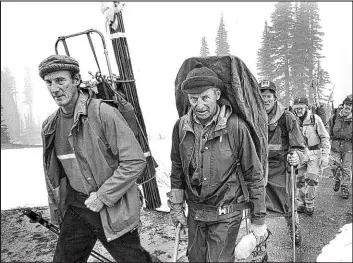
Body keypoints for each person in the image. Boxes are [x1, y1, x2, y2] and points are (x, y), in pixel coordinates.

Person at [38, 54, 156, 262]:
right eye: (48, 82)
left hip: (112, 206)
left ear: (76, 80)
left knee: (134, 260)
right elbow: (54, 176)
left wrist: (102, 196)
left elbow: (135, 161)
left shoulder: (102, 113)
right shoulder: (50, 126)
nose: (54, 89)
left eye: (60, 80)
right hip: (77, 207)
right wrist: (57, 210)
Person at [169, 63, 268, 262]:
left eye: (205, 97)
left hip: (227, 211)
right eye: (193, 99)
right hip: (196, 212)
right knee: (195, 259)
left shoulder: (236, 128)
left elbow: (253, 174)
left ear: (216, 93)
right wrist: (176, 207)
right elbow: (177, 168)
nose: (199, 105)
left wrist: (258, 220)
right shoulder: (181, 127)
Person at [259, 80, 307, 246]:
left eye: (268, 96)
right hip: (260, 170)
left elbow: (300, 147)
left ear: (275, 97)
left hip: (282, 170)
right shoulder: (253, 116)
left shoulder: (287, 117)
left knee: (288, 203)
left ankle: (294, 229)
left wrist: (296, 156)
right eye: (262, 96)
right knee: (258, 206)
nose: (265, 99)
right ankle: (259, 241)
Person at [292, 97, 330, 215]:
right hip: (301, 153)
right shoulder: (293, 120)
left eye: (301, 108)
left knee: (311, 179)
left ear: (306, 107)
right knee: (300, 180)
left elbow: (324, 137)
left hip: (315, 153)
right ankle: (301, 202)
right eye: (296, 108)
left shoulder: (315, 119)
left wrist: (325, 156)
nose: (299, 111)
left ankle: (309, 202)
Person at [328, 94, 352, 199]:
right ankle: (337, 179)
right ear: (343, 105)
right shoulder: (334, 117)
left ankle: (345, 187)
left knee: (346, 168)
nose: (349, 106)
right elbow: (329, 131)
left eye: (351, 105)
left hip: (348, 147)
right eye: (347, 104)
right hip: (335, 146)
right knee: (334, 167)